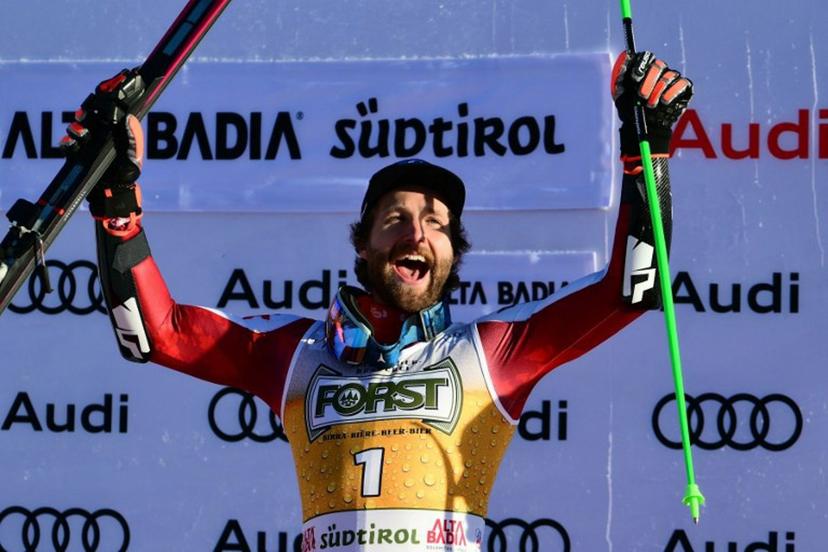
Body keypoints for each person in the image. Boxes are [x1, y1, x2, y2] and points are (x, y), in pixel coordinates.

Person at [66, 51, 692, 550]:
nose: (417, 232)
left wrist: (650, 154)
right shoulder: (293, 353)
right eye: (396, 218)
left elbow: (630, 290)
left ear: (453, 253)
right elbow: (154, 332)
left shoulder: (492, 354)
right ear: (362, 246)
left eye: (437, 223)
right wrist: (117, 200)